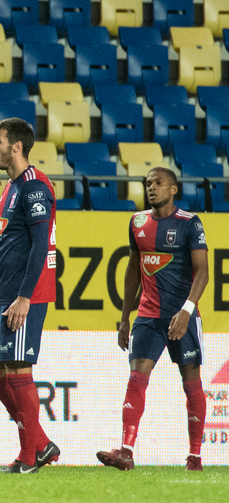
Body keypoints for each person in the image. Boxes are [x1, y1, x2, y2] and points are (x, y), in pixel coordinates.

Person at [97, 168, 209, 472]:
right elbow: (133, 268)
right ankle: (126, 452)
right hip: (147, 315)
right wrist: (124, 317)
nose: (151, 188)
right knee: (137, 376)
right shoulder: (137, 222)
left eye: (158, 183)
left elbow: (203, 272)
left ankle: (195, 456)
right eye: (148, 183)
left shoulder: (189, 223)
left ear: (173, 189)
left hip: (183, 317)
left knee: (191, 382)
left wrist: (186, 310)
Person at [0, 118, 60, 474]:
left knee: (19, 370)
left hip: (24, 295)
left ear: (16, 146)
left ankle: (28, 456)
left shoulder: (35, 187)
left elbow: (40, 245)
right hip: (2, 292)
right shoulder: (11, 186)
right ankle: (41, 443)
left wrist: (24, 297)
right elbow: (5, 244)